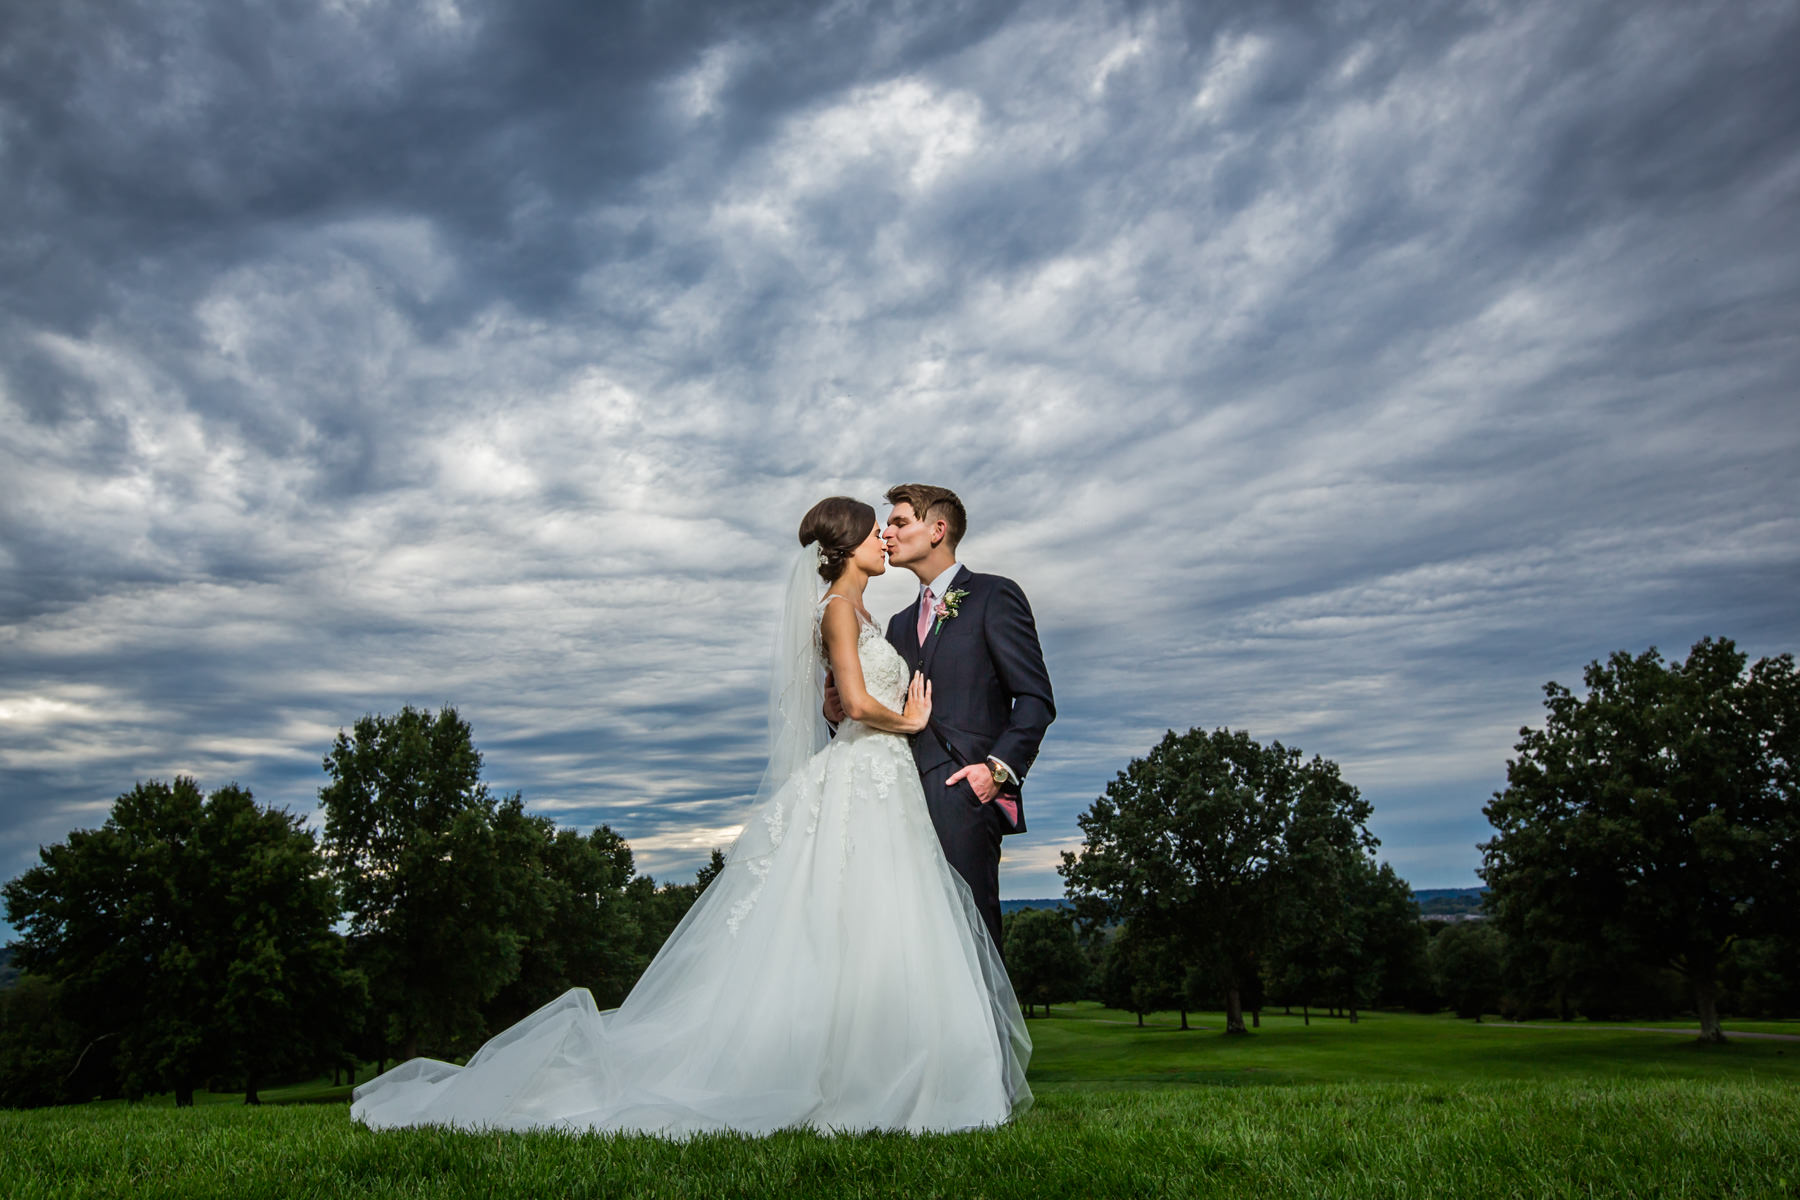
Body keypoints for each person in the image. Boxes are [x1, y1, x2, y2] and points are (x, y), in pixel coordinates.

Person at [350, 497, 1031, 1137]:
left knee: (880, 924)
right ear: (847, 546)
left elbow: (852, 697)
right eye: (876, 530)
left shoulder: (872, 613)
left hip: (889, 780)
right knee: (846, 919)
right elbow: (855, 704)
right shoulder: (837, 611)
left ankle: (894, 1064)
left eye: (897, 524)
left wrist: (885, 719)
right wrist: (905, 718)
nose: (885, 537)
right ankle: (849, 1074)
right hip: (869, 769)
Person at [828, 485, 1055, 954]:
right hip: (895, 801)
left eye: (899, 522)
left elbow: (1035, 698)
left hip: (963, 795)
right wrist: (835, 716)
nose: (886, 533)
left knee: (971, 942)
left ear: (938, 530)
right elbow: (880, 706)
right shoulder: (895, 624)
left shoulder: (996, 595)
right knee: (909, 947)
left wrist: (994, 772)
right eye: (886, 525)